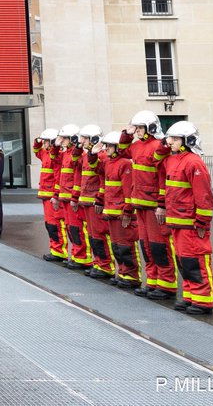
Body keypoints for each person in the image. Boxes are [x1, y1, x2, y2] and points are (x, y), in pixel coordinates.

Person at [161, 121, 213, 315]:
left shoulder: (194, 162)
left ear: (187, 141)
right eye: (170, 138)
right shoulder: (174, 160)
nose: (170, 142)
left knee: (196, 261)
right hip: (177, 221)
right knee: (183, 261)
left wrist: (202, 221)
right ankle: (190, 296)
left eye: (175, 139)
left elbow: (204, 196)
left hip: (191, 224)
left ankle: (203, 300)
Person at [124, 110, 175, 300]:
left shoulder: (158, 147)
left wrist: (161, 204)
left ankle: (166, 285)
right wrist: (126, 134)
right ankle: (152, 282)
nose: (136, 131)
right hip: (140, 203)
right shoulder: (136, 146)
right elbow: (121, 150)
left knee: (158, 246)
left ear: (150, 128)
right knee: (146, 245)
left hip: (154, 205)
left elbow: (163, 178)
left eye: (139, 127)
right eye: (135, 128)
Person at [99, 129, 140, 289]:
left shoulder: (125, 163)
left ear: (117, 147)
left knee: (126, 245)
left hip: (122, 213)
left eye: (109, 146)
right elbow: (95, 168)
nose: (106, 148)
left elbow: (128, 190)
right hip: (111, 211)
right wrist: (93, 153)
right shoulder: (109, 163)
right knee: (116, 245)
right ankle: (123, 273)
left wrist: (128, 211)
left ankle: (132, 276)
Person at [76, 125, 114, 280]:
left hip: (95, 201)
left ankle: (106, 266)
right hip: (87, 200)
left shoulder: (103, 156)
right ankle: (98, 263)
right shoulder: (87, 155)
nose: (81, 141)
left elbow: (103, 180)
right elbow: (74, 161)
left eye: (85, 138)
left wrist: (99, 198)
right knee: (92, 235)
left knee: (99, 235)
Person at [56, 123, 91, 269]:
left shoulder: (79, 155)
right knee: (71, 229)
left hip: (72, 197)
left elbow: (77, 178)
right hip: (65, 196)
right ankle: (76, 255)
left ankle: (84, 258)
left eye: (64, 138)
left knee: (78, 229)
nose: (61, 140)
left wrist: (75, 197)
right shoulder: (65, 153)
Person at [33, 128, 66, 262]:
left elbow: (58, 177)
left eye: (46, 141)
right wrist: (37, 140)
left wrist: (56, 195)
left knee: (55, 224)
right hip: (45, 195)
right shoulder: (44, 153)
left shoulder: (57, 156)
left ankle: (59, 251)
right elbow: (36, 150)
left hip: (52, 195)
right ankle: (54, 249)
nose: (44, 144)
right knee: (49, 225)